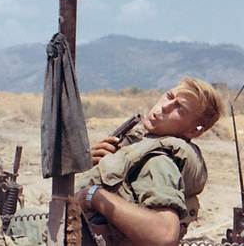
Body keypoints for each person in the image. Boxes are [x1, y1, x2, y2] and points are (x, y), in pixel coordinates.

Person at [74, 76, 226, 246]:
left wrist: (93, 196)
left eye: (180, 109)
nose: (165, 107)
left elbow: (165, 235)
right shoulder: (144, 142)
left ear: (193, 131)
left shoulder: (159, 161)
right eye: (169, 97)